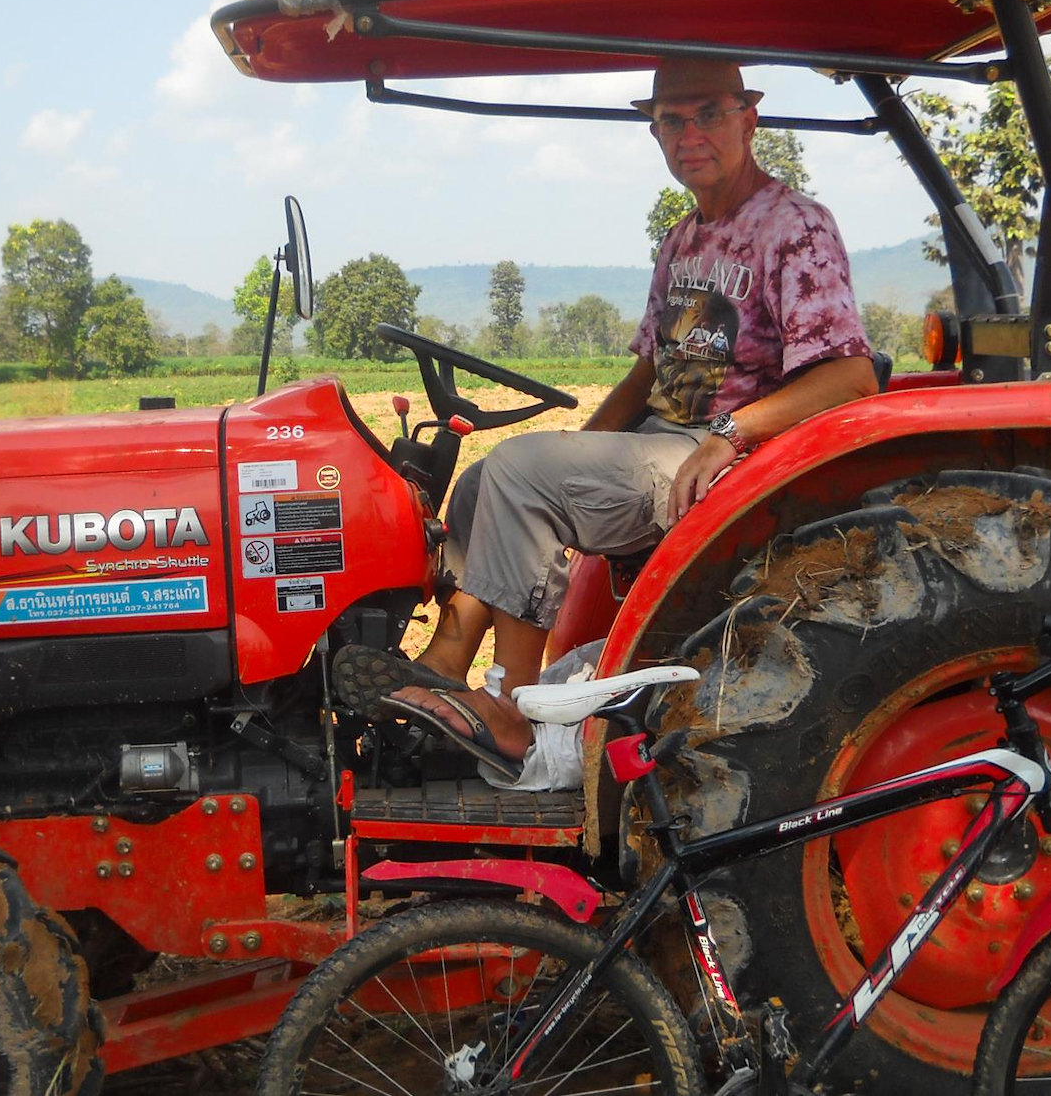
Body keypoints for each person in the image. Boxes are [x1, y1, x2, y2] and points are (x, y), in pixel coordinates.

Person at [332, 58, 878, 785]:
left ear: (749, 117)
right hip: (661, 445)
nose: (690, 135)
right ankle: (447, 663)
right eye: (670, 121)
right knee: (487, 478)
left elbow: (851, 376)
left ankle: (511, 714)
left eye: (708, 114)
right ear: (653, 132)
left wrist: (729, 431)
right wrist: (567, 454)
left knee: (521, 474)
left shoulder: (793, 227)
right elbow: (647, 373)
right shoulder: (682, 240)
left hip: (736, 466)